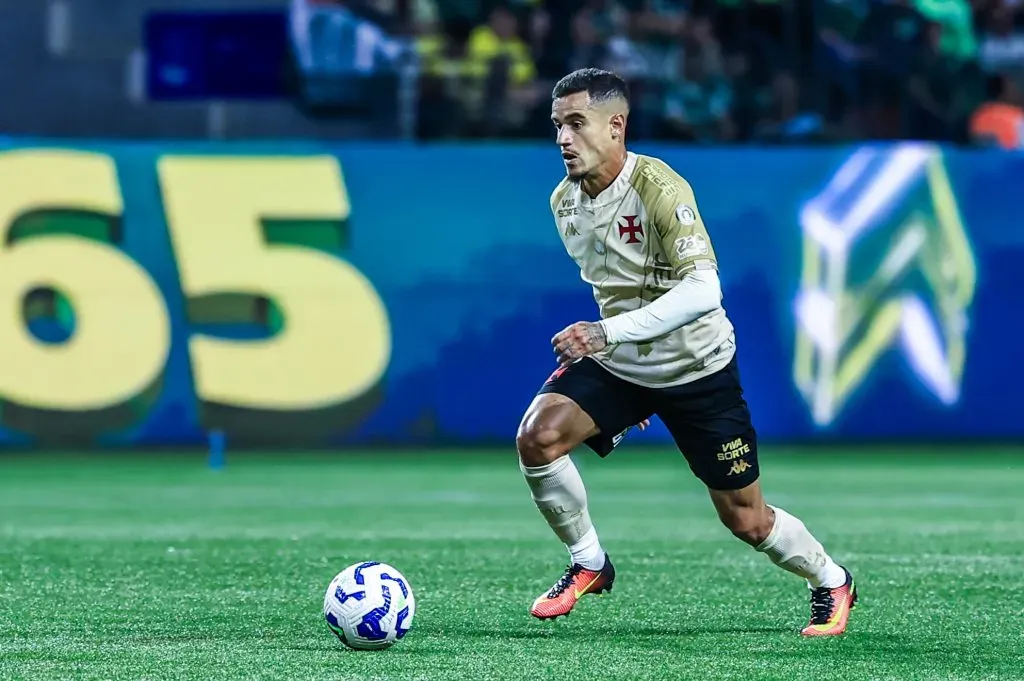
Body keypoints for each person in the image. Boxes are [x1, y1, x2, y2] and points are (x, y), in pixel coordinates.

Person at [516, 68, 858, 637]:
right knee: (538, 436)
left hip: (699, 369)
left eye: (577, 124)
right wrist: (625, 364)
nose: (563, 138)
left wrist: (608, 335)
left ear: (616, 126)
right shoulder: (564, 203)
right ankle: (589, 563)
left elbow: (704, 291)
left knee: (746, 520)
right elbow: (616, 292)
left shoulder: (659, 188)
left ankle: (831, 580)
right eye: (558, 126)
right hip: (624, 364)